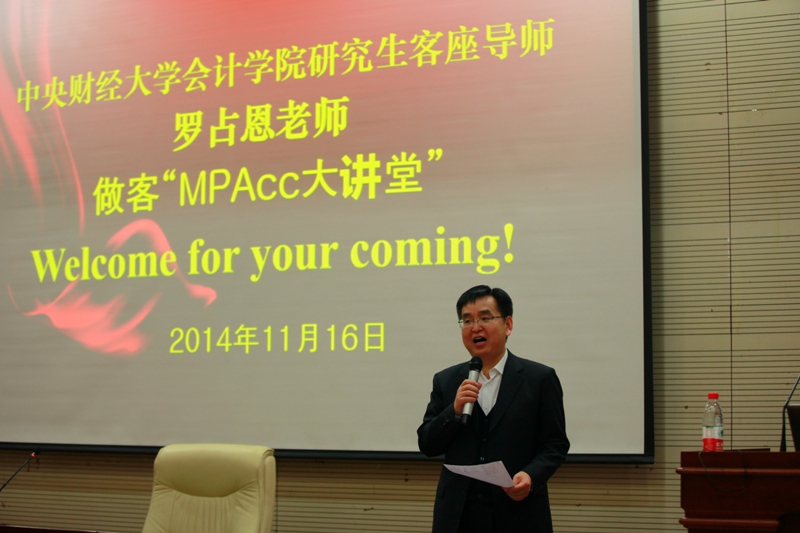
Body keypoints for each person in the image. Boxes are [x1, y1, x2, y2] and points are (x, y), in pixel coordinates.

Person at [418, 285, 569, 533]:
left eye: (485, 318)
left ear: (508, 325)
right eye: (467, 320)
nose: (475, 327)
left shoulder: (539, 379)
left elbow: (555, 444)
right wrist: (454, 411)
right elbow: (427, 444)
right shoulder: (446, 380)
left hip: (518, 513)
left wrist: (530, 476)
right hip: (458, 517)